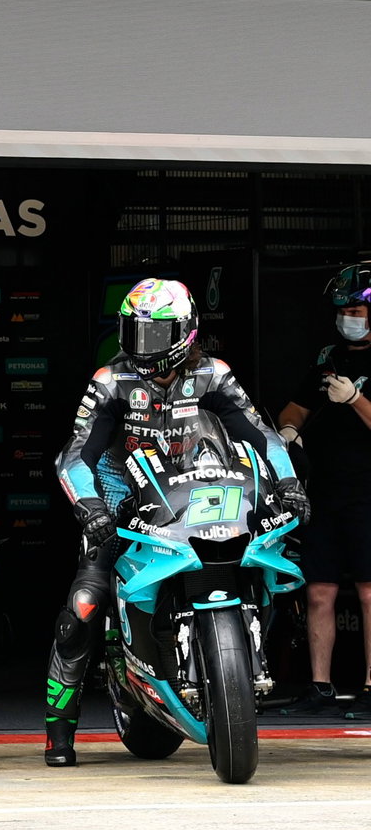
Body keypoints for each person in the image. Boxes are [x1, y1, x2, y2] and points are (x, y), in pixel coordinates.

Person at [48, 277, 310, 766]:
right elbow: (76, 454)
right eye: (134, 332)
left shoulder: (214, 375)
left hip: (205, 495)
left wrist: (290, 483)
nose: (142, 344)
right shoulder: (110, 381)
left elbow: (262, 436)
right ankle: (58, 731)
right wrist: (90, 507)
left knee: (277, 555)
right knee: (84, 603)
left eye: (154, 333)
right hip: (124, 501)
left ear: (185, 331)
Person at [276, 260, 371, 717]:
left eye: (355, 310)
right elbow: (295, 407)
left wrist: (355, 399)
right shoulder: (327, 357)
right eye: (342, 310)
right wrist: (290, 430)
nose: (347, 317)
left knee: (370, 592)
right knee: (319, 590)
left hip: (369, 492)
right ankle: (320, 686)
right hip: (325, 491)